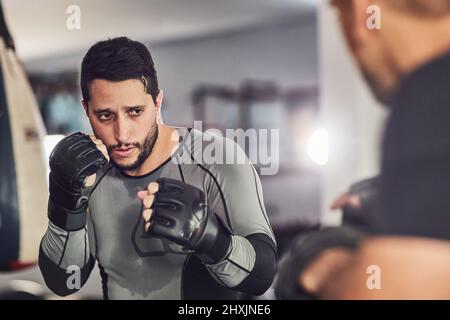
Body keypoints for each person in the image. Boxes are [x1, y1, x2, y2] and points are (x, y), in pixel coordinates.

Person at [38, 37, 277, 300]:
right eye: (105, 115)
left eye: (135, 112)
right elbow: (65, 282)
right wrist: (65, 202)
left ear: (158, 102)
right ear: (86, 110)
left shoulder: (217, 159)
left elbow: (262, 276)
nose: (122, 133)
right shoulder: (87, 174)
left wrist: (211, 238)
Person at [276, 0, 450, 299]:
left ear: (360, 13)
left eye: (338, 12)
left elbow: (395, 293)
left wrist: (323, 264)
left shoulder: (431, 94)